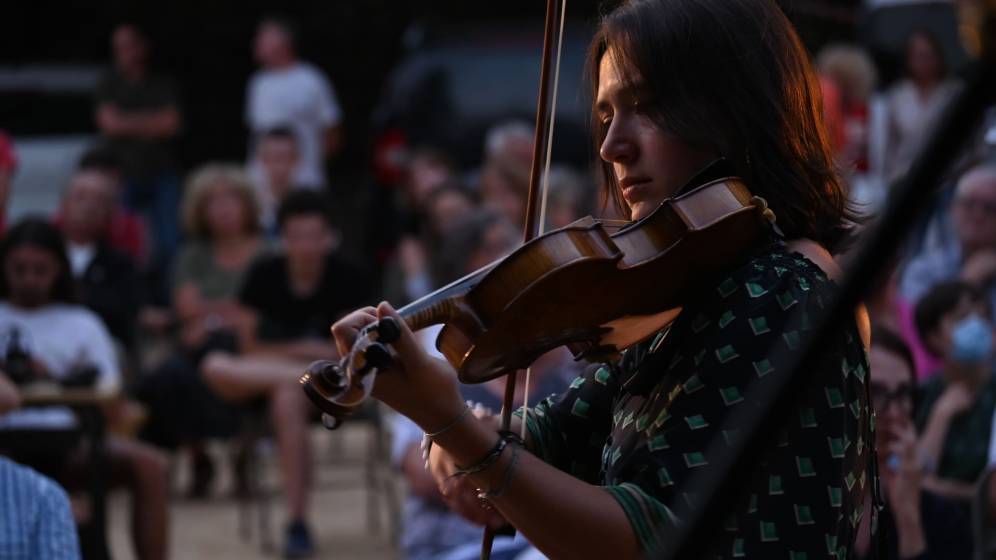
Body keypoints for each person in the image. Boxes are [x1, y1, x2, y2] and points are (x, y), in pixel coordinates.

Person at [331, 0, 872, 558]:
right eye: (607, 115)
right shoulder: (692, 294)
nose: (612, 147)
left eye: (646, 106)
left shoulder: (782, 290)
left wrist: (451, 423)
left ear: (739, 108)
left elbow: (649, 539)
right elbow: (551, 439)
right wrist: (452, 426)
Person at [202, 190, 371, 558]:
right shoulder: (265, 274)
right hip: (272, 374)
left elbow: (351, 353)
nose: (306, 246)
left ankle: (296, 520)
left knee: (288, 396)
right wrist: (304, 353)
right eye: (297, 237)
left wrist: (299, 354)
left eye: (315, 236)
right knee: (218, 366)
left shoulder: (349, 276)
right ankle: (296, 375)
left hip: (336, 384)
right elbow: (247, 346)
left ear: (329, 237)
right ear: (283, 239)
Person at [0, 218, 168, 560]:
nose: (29, 279)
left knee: (150, 464)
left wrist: (60, 380)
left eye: (40, 270)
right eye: (19, 269)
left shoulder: (82, 323)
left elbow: (111, 398)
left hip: (72, 441)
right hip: (5, 442)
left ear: (59, 270)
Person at [138, 163, 266, 497]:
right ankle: (197, 453)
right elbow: (186, 309)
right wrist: (230, 312)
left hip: (254, 347)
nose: (223, 210)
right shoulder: (191, 255)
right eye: (213, 202)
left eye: (231, 200)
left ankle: (244, 452)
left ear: (247, 204)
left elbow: (263, 312)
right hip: (200, 348)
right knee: (167, 377)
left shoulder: (268, 252)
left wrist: (211, 316)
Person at [854, 327, 972, 559]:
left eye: (903, 393)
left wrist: (908, 519)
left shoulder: (942, 519)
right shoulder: (815, 502)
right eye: (876, 393)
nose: (894, 412)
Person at [94, 23, 182, 273]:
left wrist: (126, 121)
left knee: (168, 242)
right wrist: (151, 122)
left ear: (143, 48)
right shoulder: (109, 82)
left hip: (160, 171)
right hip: (122, 173)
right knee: (120, 239)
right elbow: (109, 125)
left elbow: (172, 124)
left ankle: (166, 299)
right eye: (119, 48)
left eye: (129, 46)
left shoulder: (160, 82)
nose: (124, 53)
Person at [913, 281, 996, 502]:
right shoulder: (920, 396)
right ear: (934, 337)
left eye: (983, 316)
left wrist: (943, 489)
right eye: (962, 318)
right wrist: (941, 416)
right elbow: (912, 481)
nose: (977, 325)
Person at [246, 16, 343, 190]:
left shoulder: (311, 79)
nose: (256, 44)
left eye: (263, 39)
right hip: (263, 183)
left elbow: (332, 131)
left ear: (284, 42)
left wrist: (311, 164)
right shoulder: (258, 83)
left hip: (305, 179)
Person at [57, 166, 143, 356]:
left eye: (100, 200)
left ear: (112, 212)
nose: (89, 206)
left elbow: (123, 311)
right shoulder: (42, 254)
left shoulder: (120, 263)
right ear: (63, 204)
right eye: (81, 197)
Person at [900, 163, 996, 319]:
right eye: (969, 203)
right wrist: (968, 281)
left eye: (990, 207)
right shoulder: (924, 270)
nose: (978, 215)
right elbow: (917, 331)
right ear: (953, 209)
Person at [884, 29, 961, 183]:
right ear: (909, 60)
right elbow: (889, 143)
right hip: (905, 177)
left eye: (929, 56)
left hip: (949, 178)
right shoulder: (897, 95)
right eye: (918, 56)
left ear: (939, 57)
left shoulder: (955, 92)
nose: (924, 62)